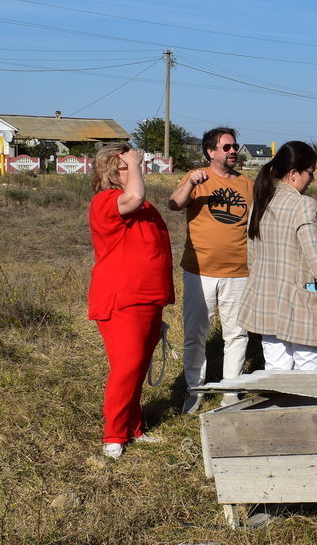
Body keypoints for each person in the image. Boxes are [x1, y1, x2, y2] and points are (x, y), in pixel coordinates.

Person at [88, 143, 174, 459]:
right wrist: (135, 164)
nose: (134, 168)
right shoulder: (105, 201)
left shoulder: (142, 205)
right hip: (121, 298)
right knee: (127, 367)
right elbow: (134, 196)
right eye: (125, 165)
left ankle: (133, 428)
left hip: (147, 297)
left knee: (137, 368)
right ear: (111, 171)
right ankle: (114, 435)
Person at [238, 141, 317, 371]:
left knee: (276, 372)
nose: (312, 179)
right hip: (303, 305)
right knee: (309, 376)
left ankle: (278, 409)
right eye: (310, 173)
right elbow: (315, 256)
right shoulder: (302, 205)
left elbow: (253, 256)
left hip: (267, 302)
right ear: (293, 174)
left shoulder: (261, 201)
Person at [167, 127, 252, 414]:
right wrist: (190, 182)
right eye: (226, 147)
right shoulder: (197, 178)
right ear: (211, 152)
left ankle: (230, 393)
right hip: (199, 270)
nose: (232, 151)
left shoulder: (247, 185)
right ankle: (195, 390)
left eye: (234, 147)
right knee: (195, 335)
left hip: (239, 272)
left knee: (237, 335)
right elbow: (174, 204)